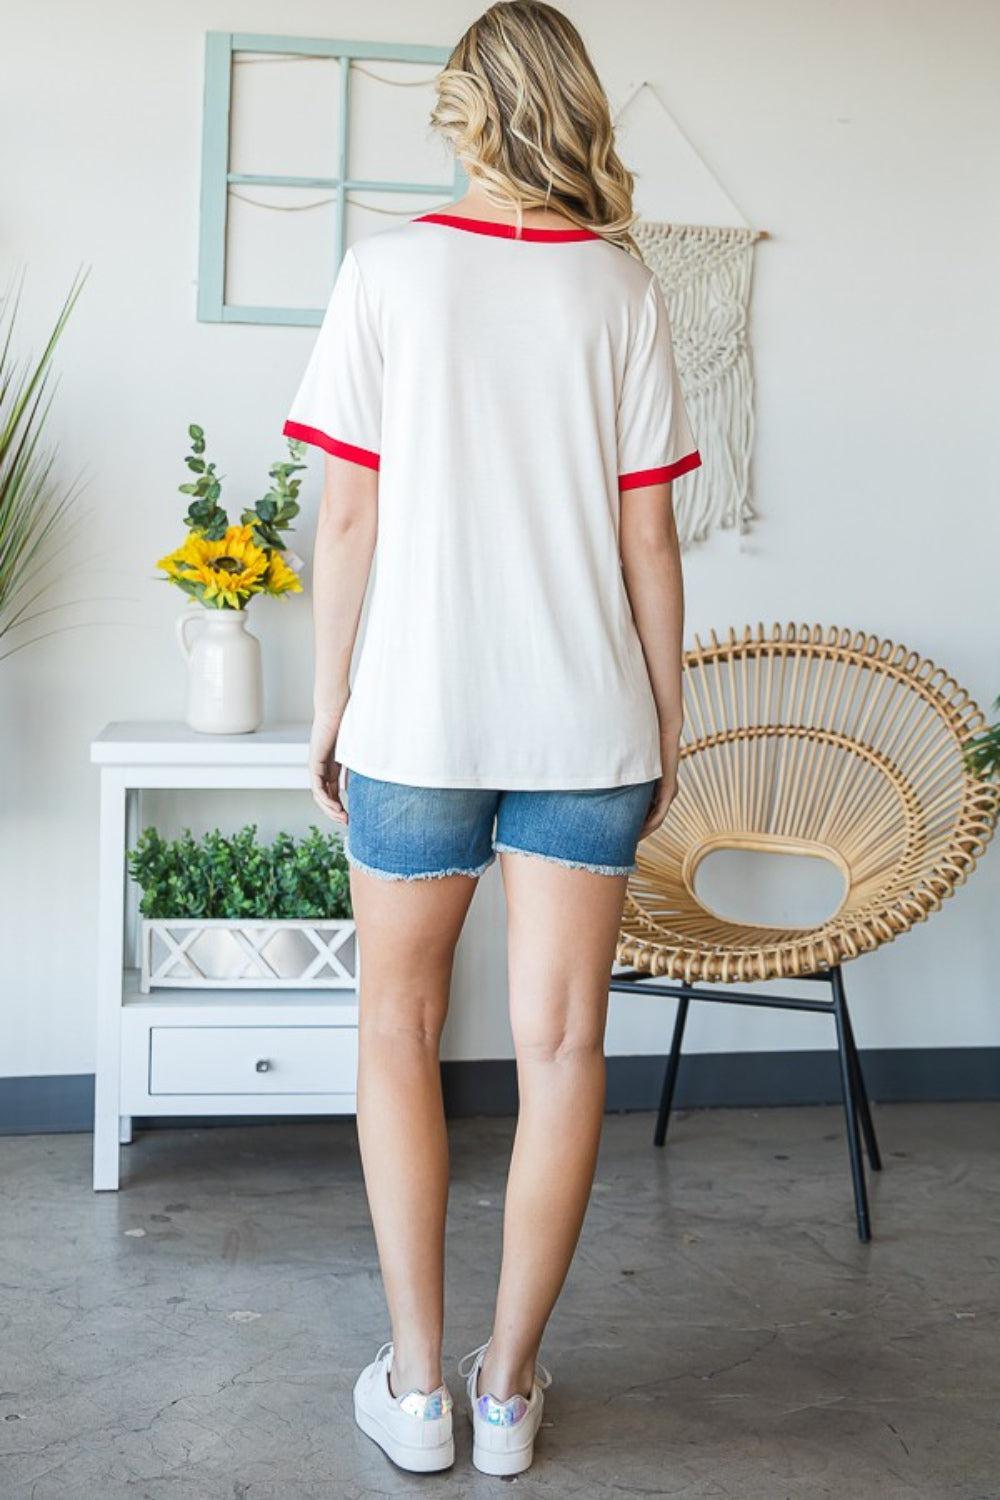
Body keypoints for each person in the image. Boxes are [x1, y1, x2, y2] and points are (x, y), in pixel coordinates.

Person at [283, 0, 700, 1477]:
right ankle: (510, 1392)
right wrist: (664, 716)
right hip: (589, 724)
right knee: (566, 1043)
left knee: (395, 1028)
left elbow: (348, 512)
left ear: (461, 110)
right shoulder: (624, 289)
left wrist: (331, 705)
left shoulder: (386, 271)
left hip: (419, 715)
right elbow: (651, 539)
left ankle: (415, 1388)